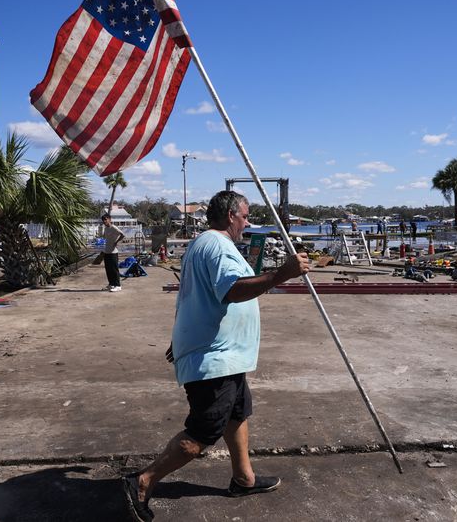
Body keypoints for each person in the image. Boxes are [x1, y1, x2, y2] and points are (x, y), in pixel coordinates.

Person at [122, 191, 310, 522]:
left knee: (237, 415)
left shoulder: (202, 244)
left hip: (225, 355)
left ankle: (244, 479)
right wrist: (283, 273)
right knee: (201, 434)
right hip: (215, 360)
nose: (248, 222)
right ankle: (143, 481)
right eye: (245, 216)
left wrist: (181, 339)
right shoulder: (218, 245)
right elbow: (232, 290)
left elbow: (194, 298)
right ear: (229, 216)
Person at [101, 213, 125, 291]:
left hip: (113, 252)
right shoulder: (106, 228)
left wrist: (116, 242)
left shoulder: (113, 227)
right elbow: (105, 237)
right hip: (107, 251)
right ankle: (111, 284)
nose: (104, 221)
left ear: (109, 219)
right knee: (108, 269)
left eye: (106, 219)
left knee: (114, 269)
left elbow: (122, 234)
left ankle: (118, 285)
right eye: (103, 220)